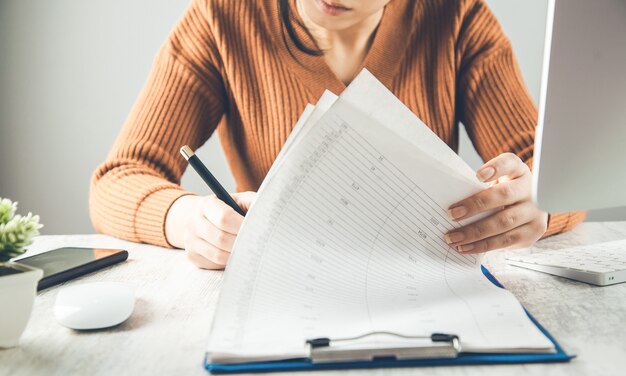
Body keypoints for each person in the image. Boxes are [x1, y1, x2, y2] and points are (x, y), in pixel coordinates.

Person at [90, 0, 585, 269]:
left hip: (425, 278)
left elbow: (557, 166)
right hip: (281, 285)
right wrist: (187, 218)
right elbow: (118, 180)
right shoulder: (220, 17)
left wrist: (537, 204)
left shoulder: (459, 17)